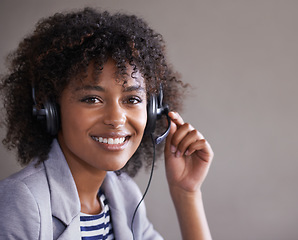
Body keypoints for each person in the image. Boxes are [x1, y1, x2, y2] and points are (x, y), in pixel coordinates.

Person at [0, 7, 213, 240]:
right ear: (49, 109)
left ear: (152, 112)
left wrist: (186, 193)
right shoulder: (22, 201)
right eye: (92, 99)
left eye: (132, 99)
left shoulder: (123, 195)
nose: (116, 118)